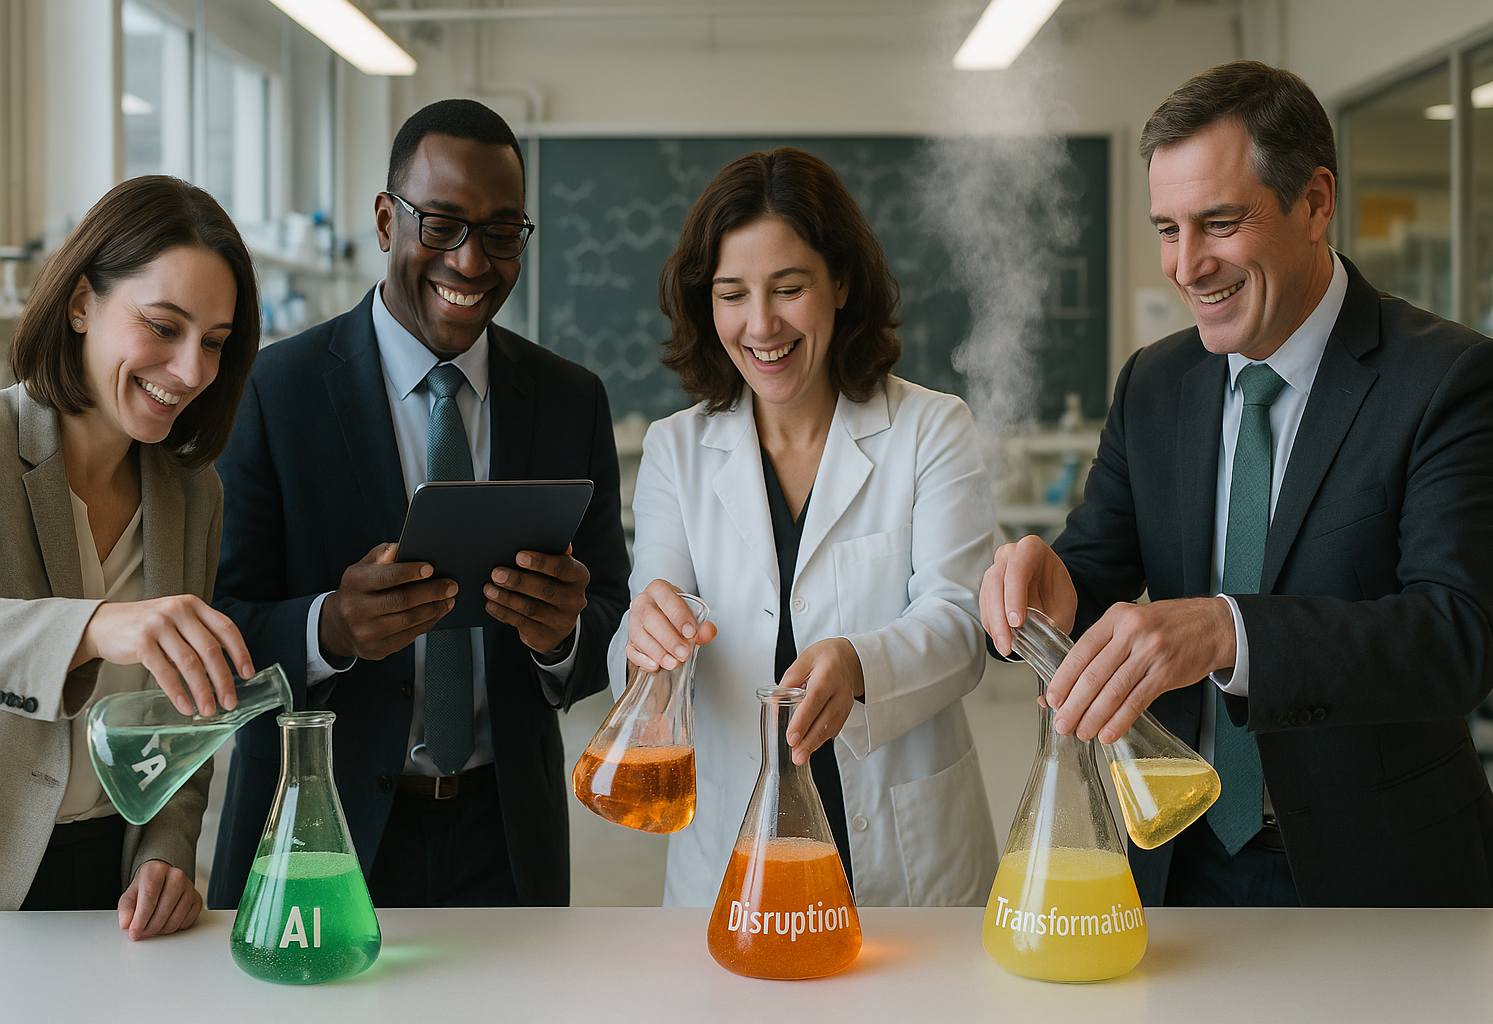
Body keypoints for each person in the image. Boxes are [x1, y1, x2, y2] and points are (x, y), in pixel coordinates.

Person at [981, 61, 1493, 907]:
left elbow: (1456, 639)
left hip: (1379, 878)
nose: (1187, 266)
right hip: (1174, 864)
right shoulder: (1155, 384)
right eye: (1167, 229)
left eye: (1220, 223)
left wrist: (1231, 634)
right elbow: (1095, 571)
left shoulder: (1449, 378)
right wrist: (1048, 586)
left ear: (1315, 202)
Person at [208, 100, 629, 909]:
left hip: (506, 836)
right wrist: (331, 628)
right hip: (317, 824)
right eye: (440, 225)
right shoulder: (273, 391)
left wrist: (562, 637)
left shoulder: (570, 400)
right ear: (383, 220)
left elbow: (610, 611)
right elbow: (219, 625)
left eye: (502, 234)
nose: (471, 263)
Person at [618, 147, 998, 908]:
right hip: (735, 846)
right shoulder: (676, 450)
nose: (761, 325)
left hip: (901, 852)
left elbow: (961, 629)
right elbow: (646, 629)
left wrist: (861, 662)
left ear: (841, 285)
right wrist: (646, 639)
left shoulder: (930, 429)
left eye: (788, 288)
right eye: (733, 294)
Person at [0, 176, 260, 933]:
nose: (190, 371)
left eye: (213, 343)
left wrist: (168, 852)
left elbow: (186, 721)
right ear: (81, 303)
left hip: (115, 882)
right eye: (162, 326)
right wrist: (94, 627)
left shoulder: (192, 493)